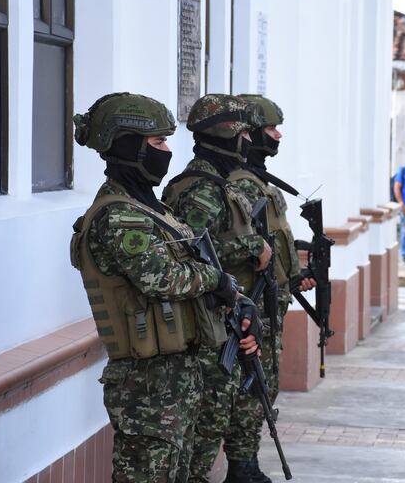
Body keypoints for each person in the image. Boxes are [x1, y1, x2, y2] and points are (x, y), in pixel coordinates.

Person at [69, 93, 258, 481]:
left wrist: (231, 299)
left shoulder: (154, 210)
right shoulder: (119, 217)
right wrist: (217, 279)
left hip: (177, 376)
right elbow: (162, 278)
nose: (167, 151)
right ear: (125, 144)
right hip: (147, 386)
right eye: (158, 142)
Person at [161, 93, 278, 483]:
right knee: (205, 426)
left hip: (223, 317)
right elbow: (190, 252)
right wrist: (250, 246)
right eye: (244, 134)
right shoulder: (201, 189)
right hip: (207, 323)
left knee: (216, 418)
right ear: (228, 136)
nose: (248, 143)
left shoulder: (216, 184)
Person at [225, 93, 315, 482]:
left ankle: (246, 463)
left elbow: (270, 239)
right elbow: (237, 244)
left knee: (264, 386)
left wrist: (294, 268)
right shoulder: (239, 184)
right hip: (251, 303)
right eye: (270, 129)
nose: (278, 136)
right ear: (249, 134)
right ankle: (241, 466)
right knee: (251, 389)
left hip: (269, 302)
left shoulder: (259, 182)